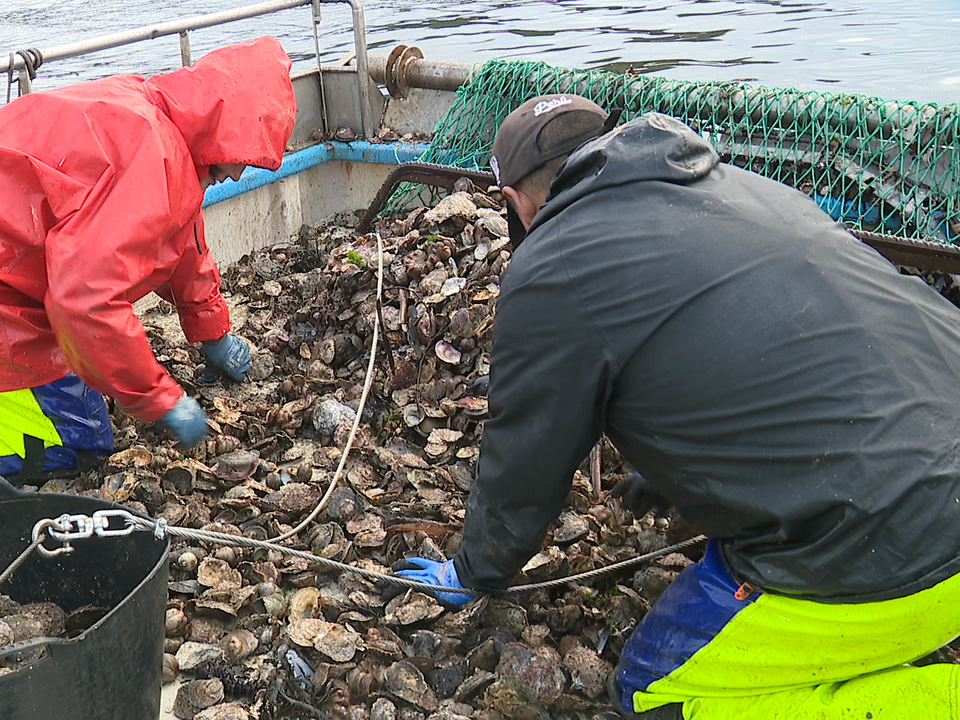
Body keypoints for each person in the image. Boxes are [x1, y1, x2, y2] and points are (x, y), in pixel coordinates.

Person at [395, 94, 960, 718]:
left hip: (903, 542)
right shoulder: (740, 187)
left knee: (657, 694)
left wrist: (476, 569)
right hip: (938, 454)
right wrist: (676, 472)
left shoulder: (552, 266)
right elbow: (772, 344)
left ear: (516, 202)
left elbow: (524, 459)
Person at [0, 36, 297, 559]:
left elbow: (180, 232)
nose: (239, 171)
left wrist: (212, 331)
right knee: (76, 433)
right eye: (239, 157)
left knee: (44, 385)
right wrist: (162, 401)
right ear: (219, 128)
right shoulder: (152, 157)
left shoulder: (155, 115)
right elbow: (85, 303)